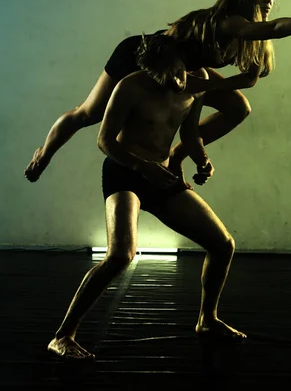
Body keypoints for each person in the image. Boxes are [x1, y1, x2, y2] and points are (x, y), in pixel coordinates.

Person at [25, 0, 291, 184]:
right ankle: (45, 153)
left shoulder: (254, 36)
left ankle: (179, 156)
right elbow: (278, 28)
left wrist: (201, 84)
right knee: (88, 114)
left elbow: (250, 79)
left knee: (239, 108)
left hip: (185, 72)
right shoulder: (229, 21)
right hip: (144, 54)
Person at [47, 35, 246, 360]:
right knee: (121, 255)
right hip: (125, 172)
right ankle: (62, 335)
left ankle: (207, 321)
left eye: (184, 75)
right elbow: (104, 141)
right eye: (170, 76)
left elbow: (189, 132)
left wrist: (201, 159)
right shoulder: (131, 87)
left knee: (223, 245)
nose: (179, 83)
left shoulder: (199, 83)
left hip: (162, 176)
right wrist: (142, 167)